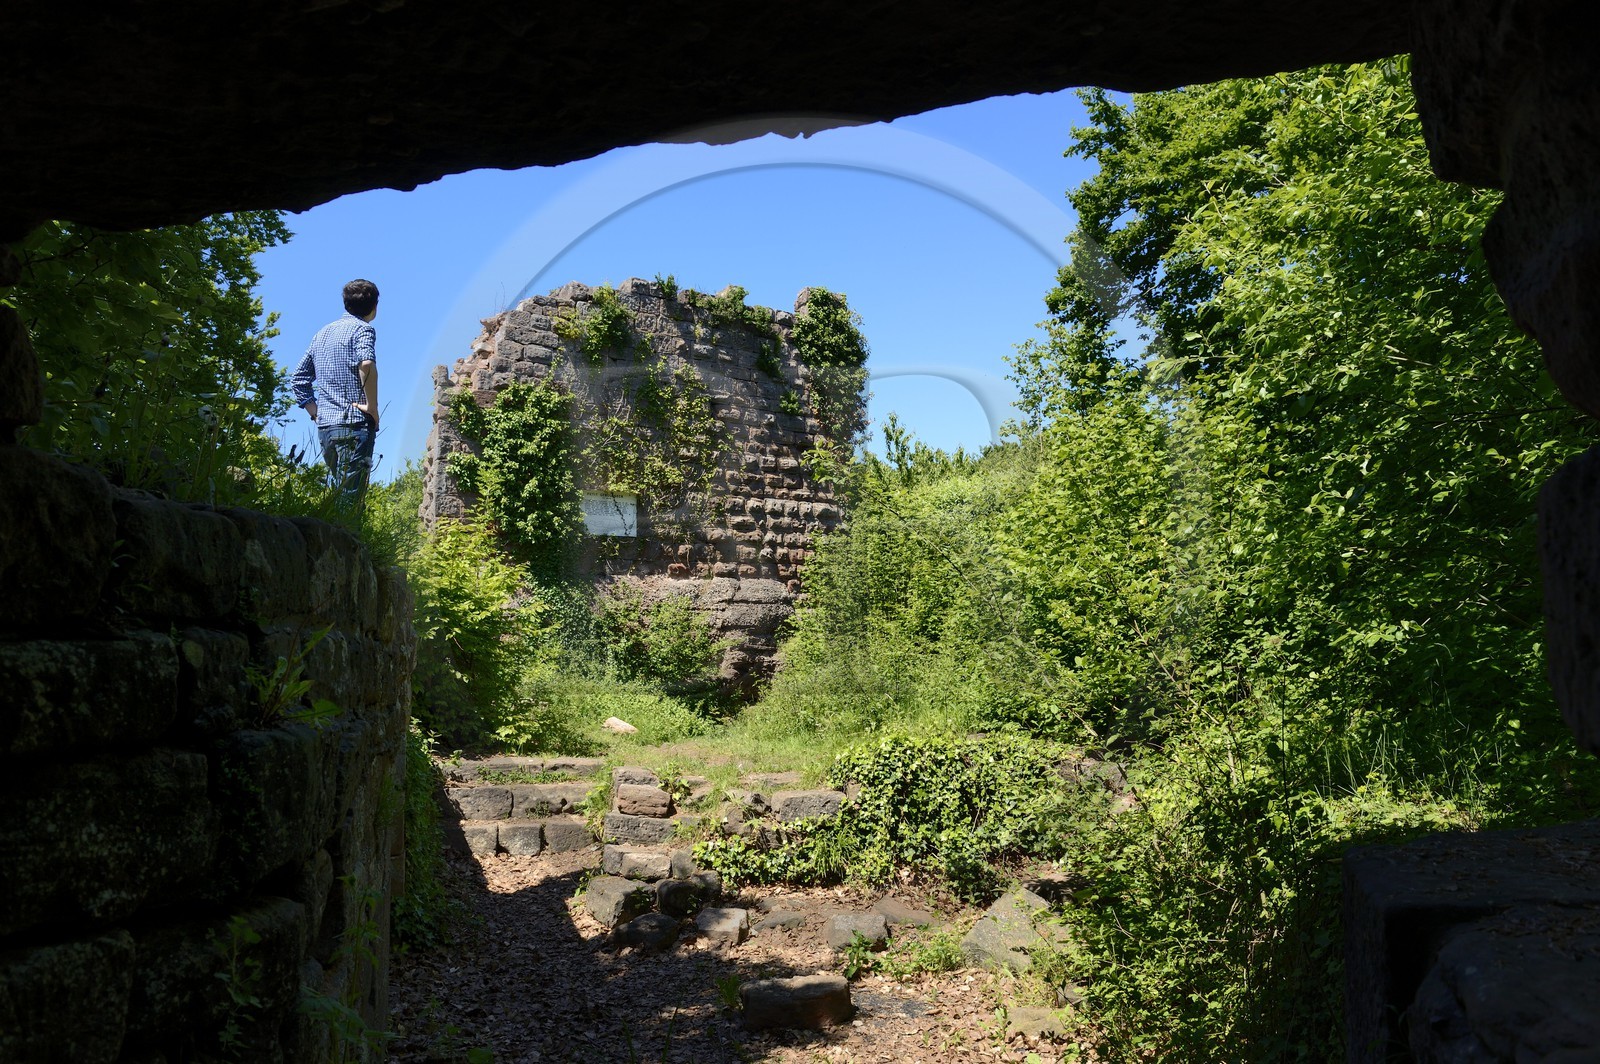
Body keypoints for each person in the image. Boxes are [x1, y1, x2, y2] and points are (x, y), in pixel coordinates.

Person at [291, 279, 380, 509]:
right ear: (374, 306)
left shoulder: (322, 334)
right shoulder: (363, 329)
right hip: (354, 425)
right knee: (350, 500)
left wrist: (316, 414)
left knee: (338, 494)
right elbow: (366, 364)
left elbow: (298, 379)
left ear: (345, 303)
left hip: (326, 430)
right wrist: (372, 407)